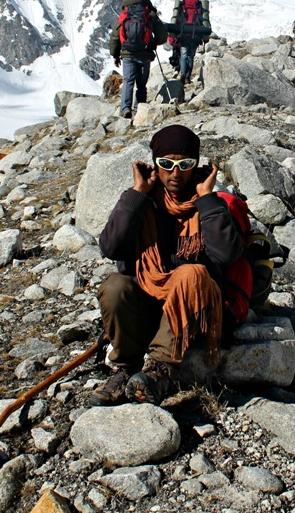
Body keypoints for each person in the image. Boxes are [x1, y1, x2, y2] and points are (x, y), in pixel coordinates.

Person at [92, 124, 245, 405]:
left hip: (194, 314)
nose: (176, 173)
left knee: (191, 273)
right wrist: (137, 194)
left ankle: (159, 369)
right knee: (115, 286)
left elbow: (226, 255)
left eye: (185, 164)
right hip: (150, 307)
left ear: (196, 165)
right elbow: (111, 247)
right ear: (155, 165)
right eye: (166, 164)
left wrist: (208, 200)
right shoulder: (143, 201)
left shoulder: (208, 203)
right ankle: (126, 367)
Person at [109, 0, 167, 118]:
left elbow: (115, 36)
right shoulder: (150, 15)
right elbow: (162, 36)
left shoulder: (124, 15)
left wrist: (115, 55)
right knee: (141, 84)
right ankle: (140, 110)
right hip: (145, 54)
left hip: (127, 54)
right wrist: (152, 43)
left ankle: (125, 109)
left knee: (128, 81)